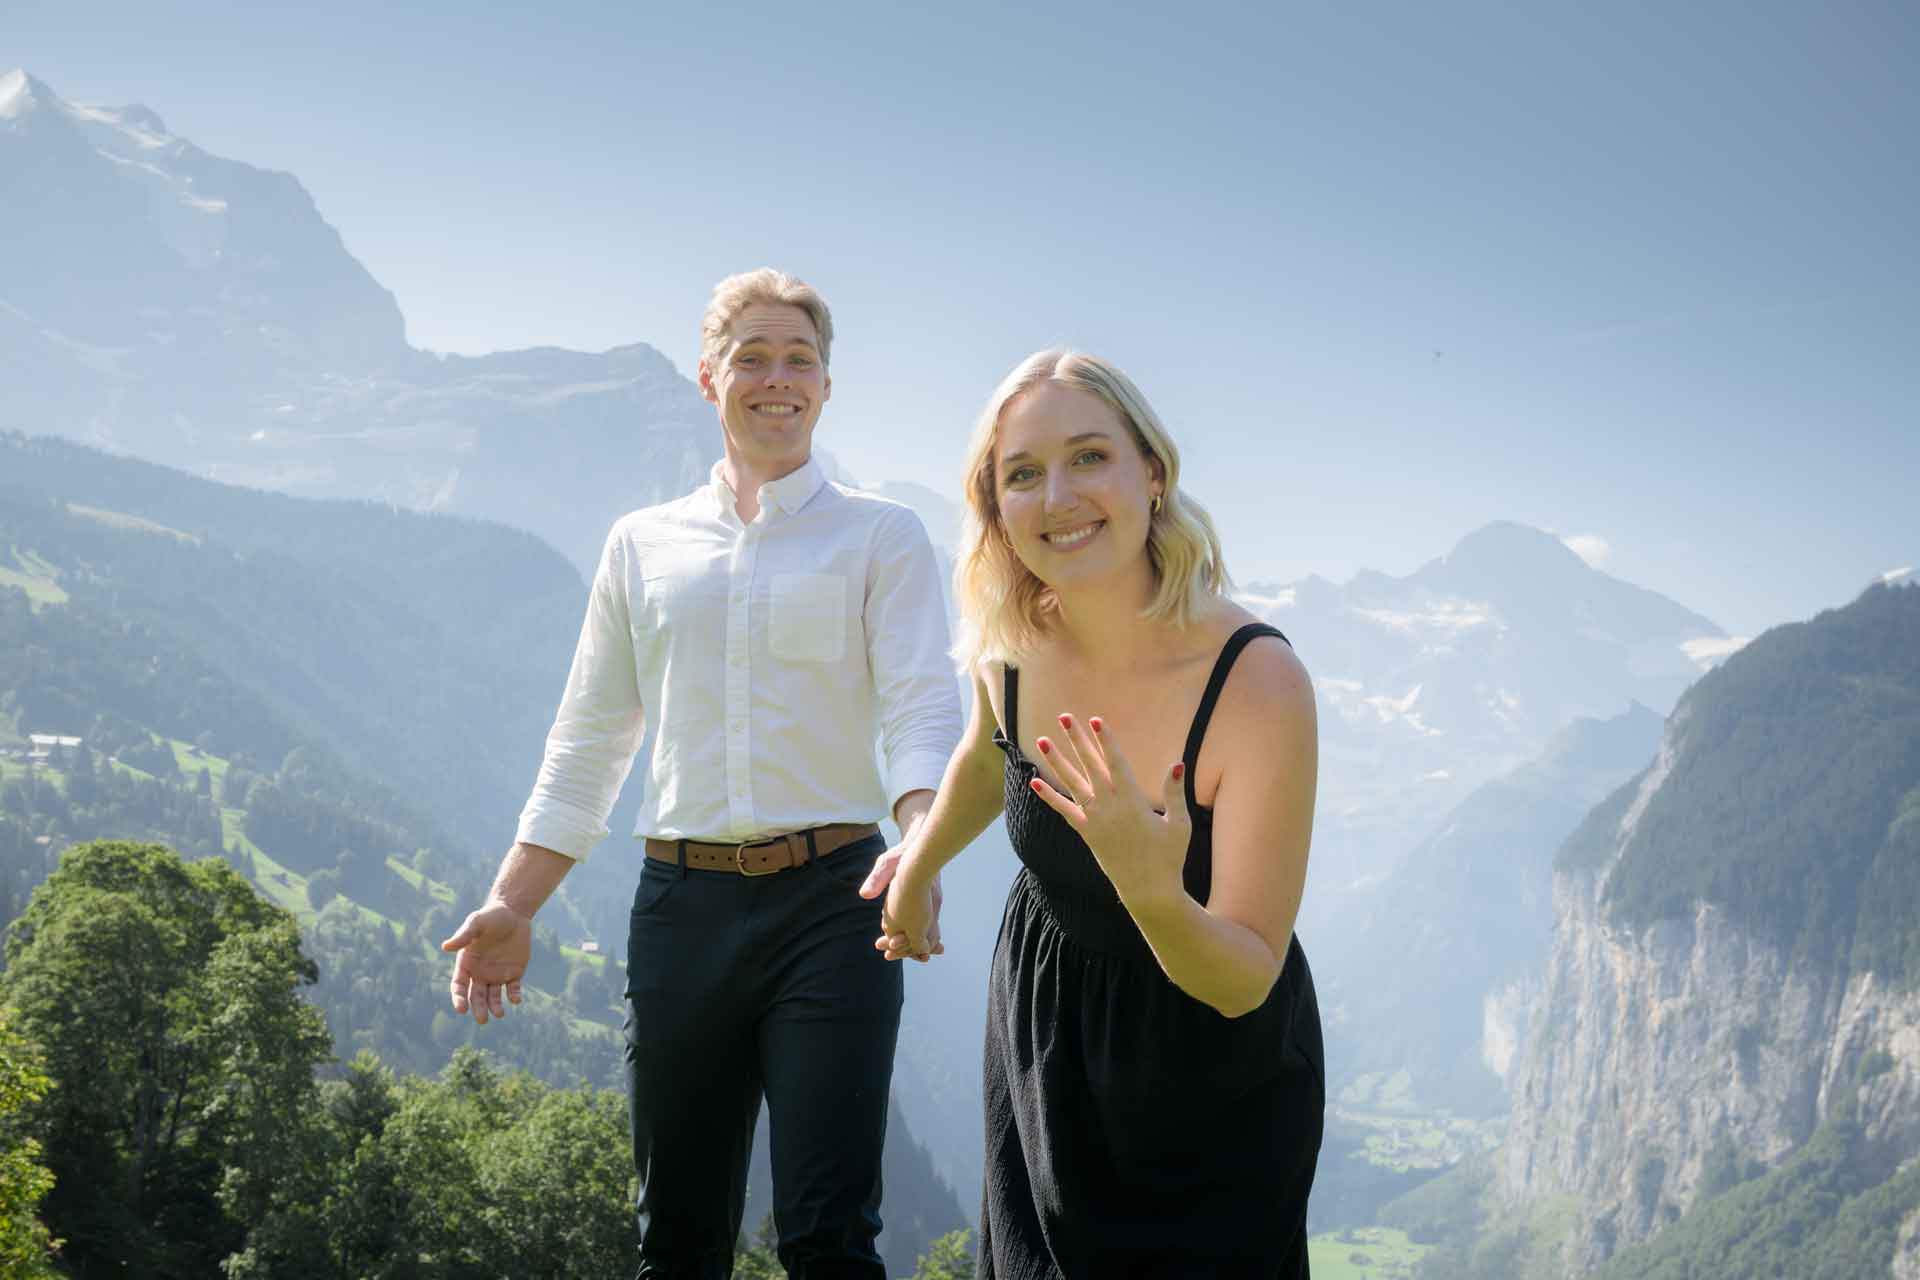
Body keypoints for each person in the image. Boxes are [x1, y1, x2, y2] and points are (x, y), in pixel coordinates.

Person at [440, 268, 962, 1279]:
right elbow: (590, 738)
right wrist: (513, 902)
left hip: (836, 902)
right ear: (707, 378)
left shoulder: (881, 535)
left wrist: (921, 845)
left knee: (829, 1235)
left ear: (826, 382)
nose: (778, 379)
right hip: (680, 909)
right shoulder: (641, 545)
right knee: (674, 1237)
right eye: (753, 357)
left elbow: (919, 711)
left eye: (799, 359)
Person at [862, 350, 1324, 1276]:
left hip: (1209, 1074)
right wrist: (918, 864)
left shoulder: (1257, 683)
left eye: (1088, 457)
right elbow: (985, 758)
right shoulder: (1015, 640)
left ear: (1152, 473)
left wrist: (1151, 889)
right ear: (995, 510)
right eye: (1022, 475)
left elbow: (1246, 980)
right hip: (1044, 1034)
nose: (1058, 497)